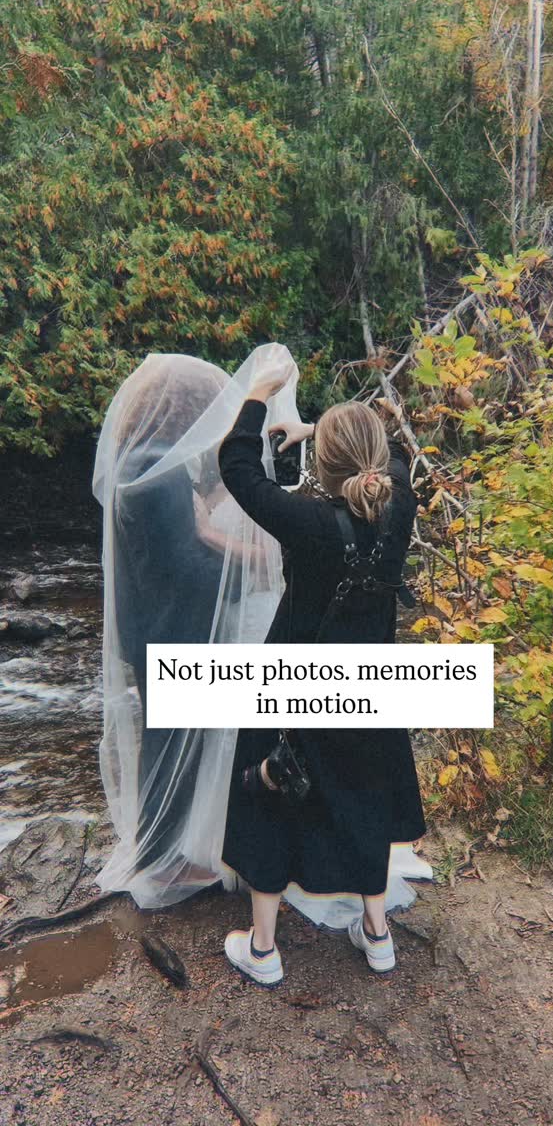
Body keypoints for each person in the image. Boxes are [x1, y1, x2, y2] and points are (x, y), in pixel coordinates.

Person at [218, 360, 426, 986]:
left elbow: (239, 470)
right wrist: (321, 430)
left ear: (328, 469)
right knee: (364, 796)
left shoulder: (307, 524)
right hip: (369, 689)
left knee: (270, 793)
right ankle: (378, 935)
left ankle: (262, 949)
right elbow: (382, 464)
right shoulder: (401, 507)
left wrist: (257, 396)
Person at [92, 346, 300, 908]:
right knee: (166, 746)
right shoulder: (153, 473)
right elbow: (182, 563)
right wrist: (243, 568)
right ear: (180, 409)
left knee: (166, 740)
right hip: (171, 627)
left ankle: (166, 850)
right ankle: (163, 862)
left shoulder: (142, 460)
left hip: (151, 624)